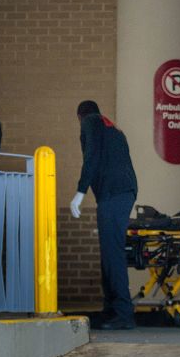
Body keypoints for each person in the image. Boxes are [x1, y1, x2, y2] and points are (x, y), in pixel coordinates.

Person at [69, 100, 139, 330]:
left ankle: (123, 313)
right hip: (121, 191)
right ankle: (111, 310)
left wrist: (80, 191)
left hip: (114, 193)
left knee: (113, 254)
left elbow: (92, 156)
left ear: (80, 117)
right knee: (109, 253)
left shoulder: (90, 122)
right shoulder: (110, 127)